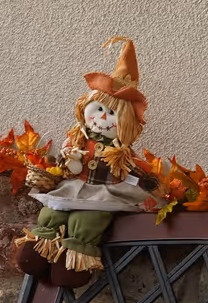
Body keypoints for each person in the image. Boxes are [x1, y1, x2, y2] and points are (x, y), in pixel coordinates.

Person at [21, 37, 152, 287]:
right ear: (85, 108)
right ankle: (41, 246)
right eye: (97, 109)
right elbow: (64, 165)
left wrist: (151, 185)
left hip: (104, 192)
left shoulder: (120, 151)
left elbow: (137, 170)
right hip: (73, 185)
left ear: (125, 121)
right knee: (53, 211)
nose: (102, 117)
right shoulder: (77, 140)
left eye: (111, 113)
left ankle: (74, 261)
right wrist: (69, 160)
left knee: (87, 220)